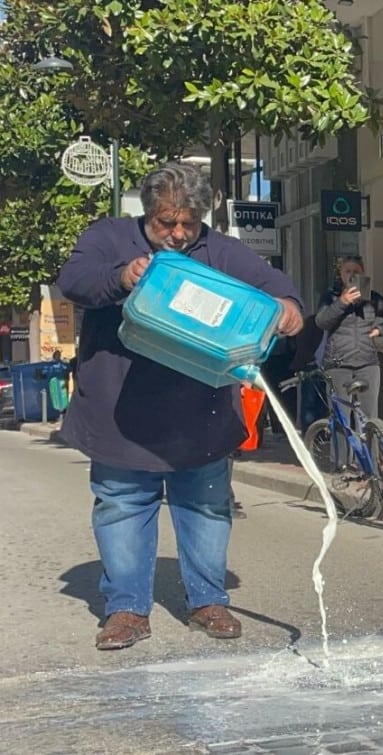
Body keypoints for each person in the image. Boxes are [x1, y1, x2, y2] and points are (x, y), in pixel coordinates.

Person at [56, 162, 304, 650]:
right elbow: (74, 279)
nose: (177, 233)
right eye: (166, 222)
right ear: (147, 212)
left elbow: (276, 287)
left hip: (201, 415)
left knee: (206, 507)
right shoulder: (109, 237)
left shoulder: (222, 251)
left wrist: (288, 309)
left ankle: (208, 601)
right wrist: (122, 276)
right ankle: (127, 609)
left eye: (188, 223)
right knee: (123, 507)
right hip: (121, 415)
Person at [315, 256, 383, 424]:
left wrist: (381, 329)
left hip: (367, 363)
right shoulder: (330, 296)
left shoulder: (372, 298)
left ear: (363, 274)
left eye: (356, 271)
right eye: (347, 271)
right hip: (338, 363)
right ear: (341, 274)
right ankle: (341, 443)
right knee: (341, 419)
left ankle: (368, 443)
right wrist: (342, 302)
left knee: (369, 419)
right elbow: (321, 322)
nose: (352, 275)